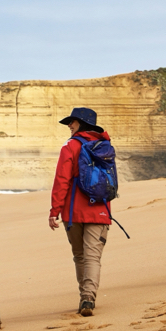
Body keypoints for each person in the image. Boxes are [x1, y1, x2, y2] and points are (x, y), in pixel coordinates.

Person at [49, 107, 113, 317]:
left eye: (73, 121)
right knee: (93, 256)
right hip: (100, 209)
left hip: (73, 211)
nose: (69, 125)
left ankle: (84, 297)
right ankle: (88, 297)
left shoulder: (70, 147)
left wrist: (54, 210)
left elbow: (62, 180)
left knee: (80, 256)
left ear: (82, 123)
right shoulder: (105, 145)